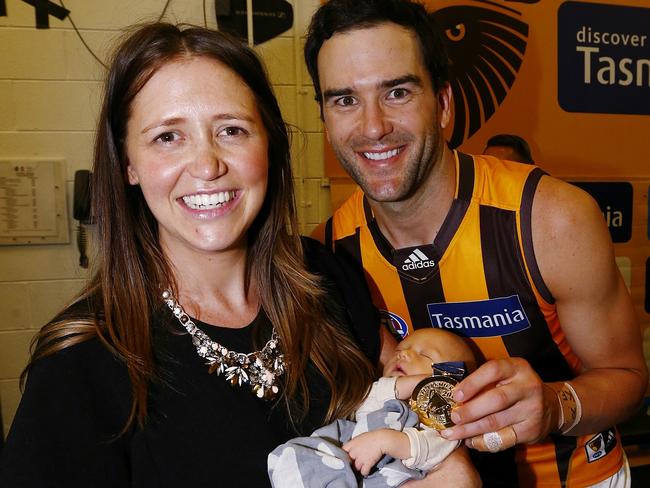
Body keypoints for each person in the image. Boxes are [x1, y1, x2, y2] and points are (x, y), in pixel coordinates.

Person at [0, 21, 478, 488]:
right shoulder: (81, 365)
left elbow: (423, 416)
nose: (207, 164)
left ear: (268, 144)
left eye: (231, 130)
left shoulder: (327, 278)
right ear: (128, 163)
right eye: (168, 137)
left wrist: (518, 410)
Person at [304, 0, 648, 486]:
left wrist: (555, 406)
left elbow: (629, 379)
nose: (372, 126)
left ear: (443, 104)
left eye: (397, 92)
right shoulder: (331, 252)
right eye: (345, 100)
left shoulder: (550, 218)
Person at [269, 329, 476, 487]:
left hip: (392, 477)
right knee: (298, 454)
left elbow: (430, 448)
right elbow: (370, 397)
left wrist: (385, 441)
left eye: (424, 355)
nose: (403, 354)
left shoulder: (437, 423)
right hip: (348, 464)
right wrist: (415, 382)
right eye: (399, 350)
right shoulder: (382, 401)